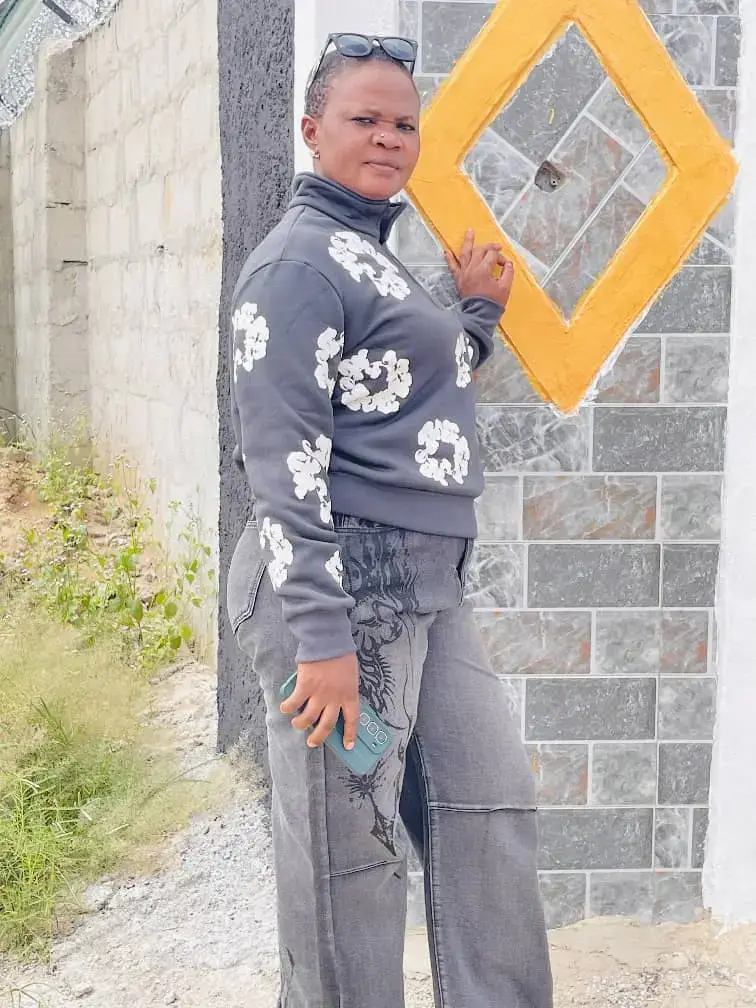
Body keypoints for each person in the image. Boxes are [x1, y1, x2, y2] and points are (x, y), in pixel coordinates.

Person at [225, 32, 553, 1008]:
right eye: (364, 118)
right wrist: (322, 640)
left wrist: (476, 318)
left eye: (403, 124)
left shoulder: (369, 257)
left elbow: (405, 389)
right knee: (352, 857)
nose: (387, 138)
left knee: (487, 805)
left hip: (424, 588)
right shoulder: (295, 267)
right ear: (311, 128)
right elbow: (280, 461)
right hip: (339, 591)